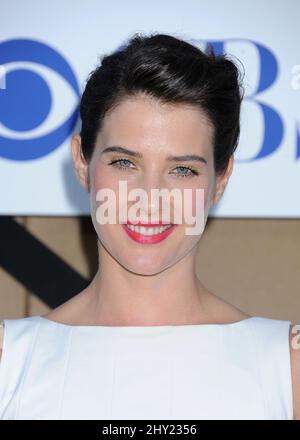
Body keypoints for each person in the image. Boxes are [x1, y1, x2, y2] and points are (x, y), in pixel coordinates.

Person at [0, 32, 299, 420]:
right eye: (125, 163)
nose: (150, 197)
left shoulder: (286, 368)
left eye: (182, 170)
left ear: (221, 180)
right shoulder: (11, 361)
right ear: (81, 162)